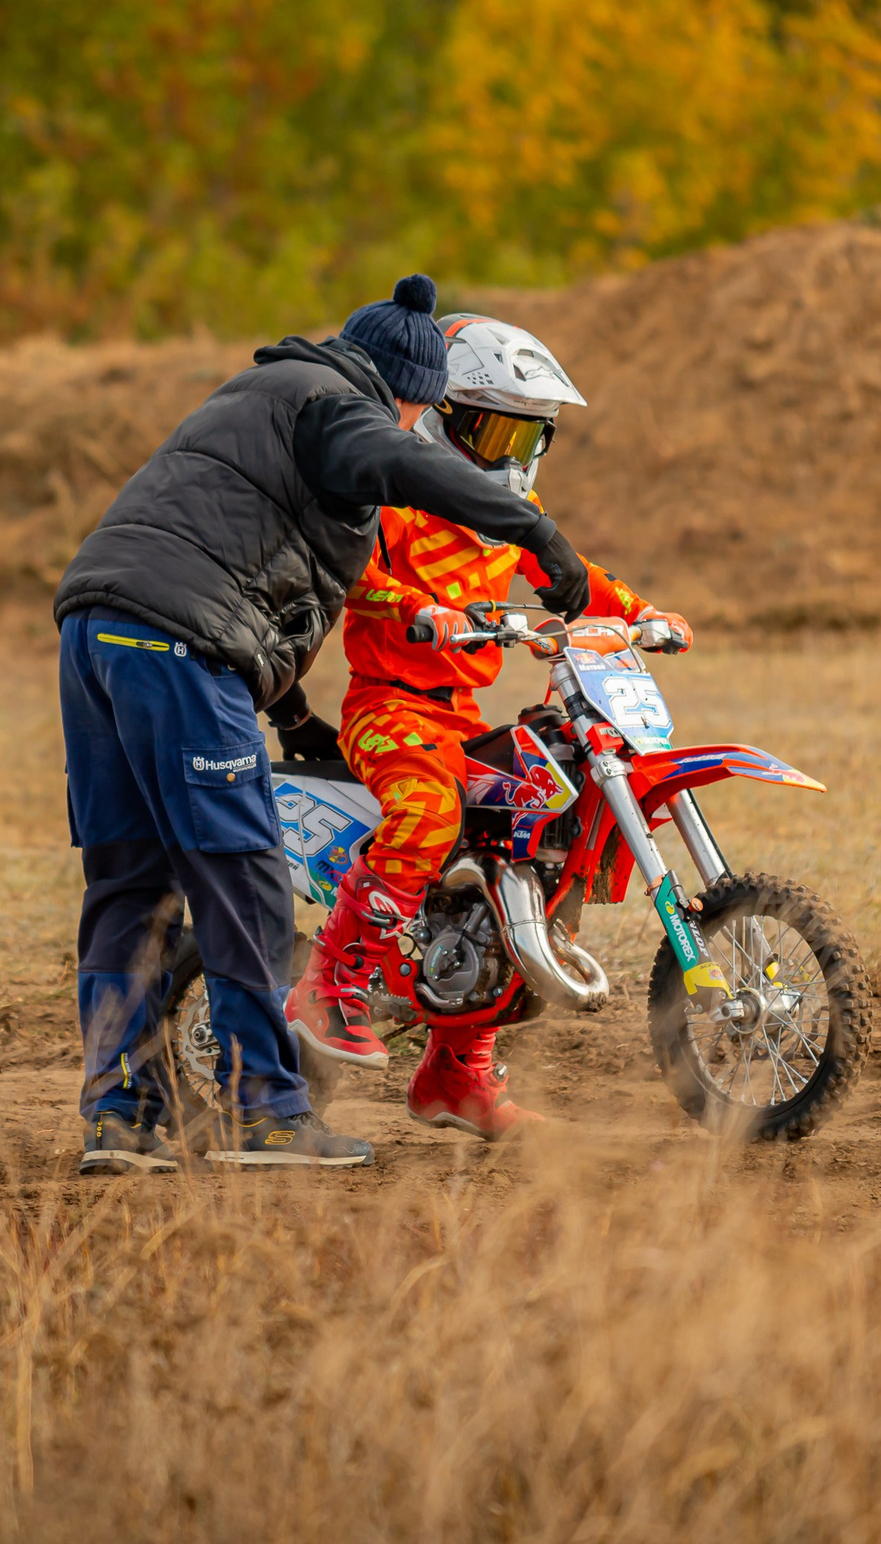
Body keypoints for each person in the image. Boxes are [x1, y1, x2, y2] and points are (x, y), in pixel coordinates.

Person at [52, 275, 599, 1174]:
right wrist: (537, 537)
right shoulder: (337, 409)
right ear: (412, 393)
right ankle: (267, 1116)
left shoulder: (258, 397)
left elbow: (236, 564)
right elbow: (406, 468)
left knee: (129, 888)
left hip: (96, 631)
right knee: (243, 878)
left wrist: (293, 713)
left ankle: (123, 1122)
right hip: (179, 650)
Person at [284, 313, 693, 1140]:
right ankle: (330, 981)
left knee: (533, 854)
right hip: (388, 707)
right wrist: (421, 611)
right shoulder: (393, 497)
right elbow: (356, 579)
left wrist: (643, 613)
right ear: (445, 415)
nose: (508, 454)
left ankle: (454, 1075)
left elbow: (577, 578)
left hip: (461, 719)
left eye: (525, 434)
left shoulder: (514, 511)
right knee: (431, 813)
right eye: (491, 429)